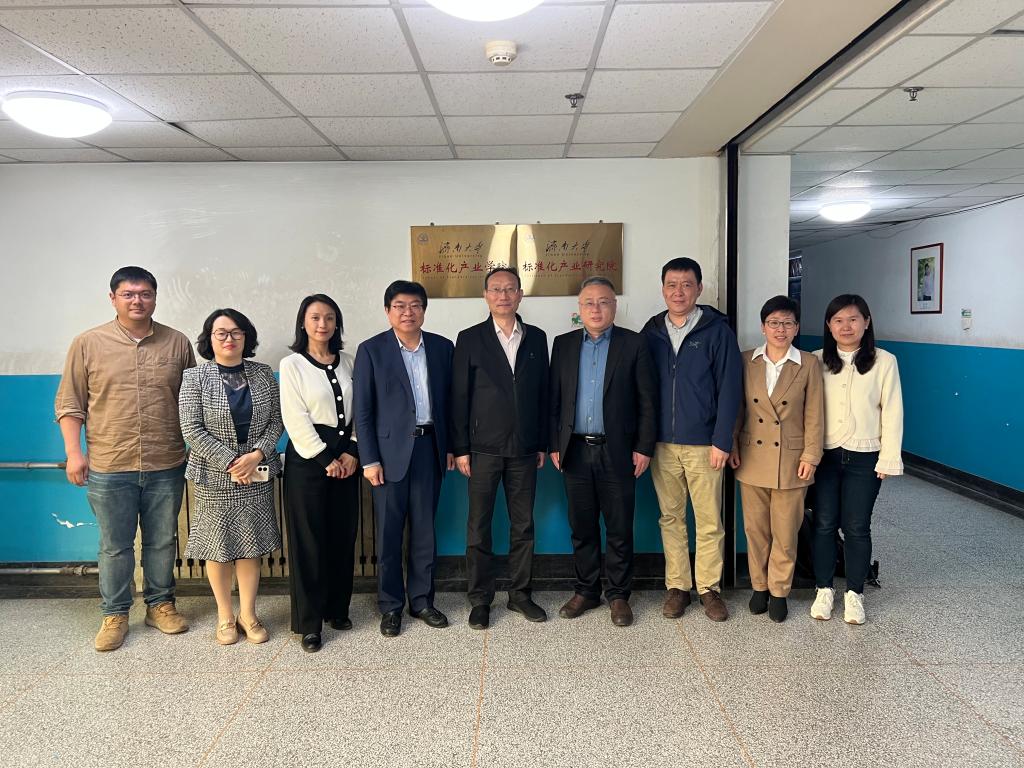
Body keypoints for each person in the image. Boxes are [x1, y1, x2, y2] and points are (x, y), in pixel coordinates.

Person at [55, 266, 195, 652]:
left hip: (166, 462)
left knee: (162, 540)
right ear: (113, 298)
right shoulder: (88, 343)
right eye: (129, 294)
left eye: (145, 294)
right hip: (109, 463)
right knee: (115, 545)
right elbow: (70, 403)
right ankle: (115, 614)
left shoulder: (177, 343)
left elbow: (192, 402)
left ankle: (160, 605)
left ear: (155, 297)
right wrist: (73, 454)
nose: (138, 301)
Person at [549, 277, 657, 627]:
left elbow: (647, 401)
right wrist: (554, 444)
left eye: (603, 302)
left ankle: (619, 594)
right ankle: (586, 590)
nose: (596, 309)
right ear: (579, 309)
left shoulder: (634, 344)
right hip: (575, 450)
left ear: (615, 306)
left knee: (619, 526)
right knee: (581, 526)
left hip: (619, 451)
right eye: (589, 303)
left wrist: (643, 447)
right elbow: (554, 400)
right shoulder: (563, 344)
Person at [642, 257, 742, 622]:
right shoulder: (651, 331)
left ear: (699, 288)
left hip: (705, 444)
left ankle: (709, 589)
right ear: (663, 289)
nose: (679, 291)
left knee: (709, 519)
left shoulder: (717, 332)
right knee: (670, 517)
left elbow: (730, 388)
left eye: (686, 284)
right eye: (672, 284)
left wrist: (722, 440)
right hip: (662, 444)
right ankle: (678, 587)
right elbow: (643, 388)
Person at [354, 280, 455, 638]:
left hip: (430, 449)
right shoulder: (371, 350)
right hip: (387, 456)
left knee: (425, 531)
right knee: (389, 534)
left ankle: (422, 601)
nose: (407, 312)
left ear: (424, 310)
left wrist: (452, 447)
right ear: (388, 311)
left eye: (415, 305)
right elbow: (363, 411)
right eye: (399, 306)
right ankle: (390, 606)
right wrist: (369, 459)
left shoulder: (442, 347)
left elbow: (451, 403)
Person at [450, 267, 549, 630]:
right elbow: (459, 396)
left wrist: (542, 442)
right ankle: (480, 598)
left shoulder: (537, 337)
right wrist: (461, 448)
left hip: (525, 449)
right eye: (496, 289)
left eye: (510, 289)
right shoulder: (469, 338)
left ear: (520, 294)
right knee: (479, 527)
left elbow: (543, 394)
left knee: (523, 526)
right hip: (482, 450)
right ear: (486, 295)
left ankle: (520, 594)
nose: (503, 295)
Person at [179, 309, 283, 645]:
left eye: (236, 332)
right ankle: (225, 615)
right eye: (221, 332)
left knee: (251, 544)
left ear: (246, 337)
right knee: (218, 545)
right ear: (209, 338)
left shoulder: (263, 373)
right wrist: (231, 462)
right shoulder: (194, 377)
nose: (229, 338)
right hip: (214, 474)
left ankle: (248, 614)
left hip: (256, 471)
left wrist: (255, 456)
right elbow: (191, 428)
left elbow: (277, 421)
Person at [728, 296, 823, 623]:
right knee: (755, 530)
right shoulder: (746, 360)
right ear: (763, 327)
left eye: (787, 323)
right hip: (752, 455)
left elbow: (814, 414)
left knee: (785, 531)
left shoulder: (808, 363)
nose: (780, 329)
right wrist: (732, 443)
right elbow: (737, 408)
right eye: (773, 323)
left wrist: (811, 454)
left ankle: (779, 590)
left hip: (792, 459)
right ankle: (759, 587)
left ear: (796, 328)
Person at [811, 294, 903, 625]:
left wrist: (888, 458)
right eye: (838, 320)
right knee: (823, 523)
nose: (846, 326)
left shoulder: (884, 361)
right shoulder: (816, 360)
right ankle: (824, 589)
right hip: (824, 455)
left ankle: (854, 593)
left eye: (853, 319)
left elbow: (892, 411)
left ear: (866, 322)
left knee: (857, 526)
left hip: (866, 456)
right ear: (829, 325)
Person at [280, 294, 361, 653]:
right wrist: (326, 459)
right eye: (315, 317)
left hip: (347, 456)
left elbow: (363, 409)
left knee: (343, 535)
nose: (322, 324)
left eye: (329, 317)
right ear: (303, 322)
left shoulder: (349, 361)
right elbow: (295, 418)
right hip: (309, 460)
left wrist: (352, 451)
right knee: (309, 541)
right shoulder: (292, 365)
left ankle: (337, 609)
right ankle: (309, 623)